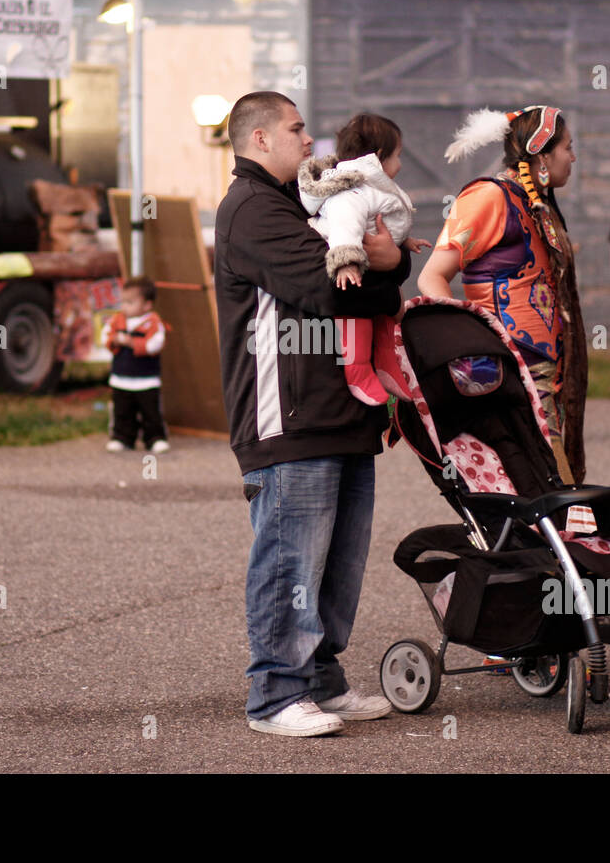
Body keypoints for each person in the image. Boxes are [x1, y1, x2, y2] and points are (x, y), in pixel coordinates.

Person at [216, 90, 412, 737]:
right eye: (296, 130)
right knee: (289, 558)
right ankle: (274, 694)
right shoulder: (249, 209)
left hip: (341, 411)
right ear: (259, 139)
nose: (310, 141)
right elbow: (333, 289)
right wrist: (389, 266)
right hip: (288, 420)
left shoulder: (302, 202)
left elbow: (371, 282)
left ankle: (321, 680)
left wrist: (396, 260)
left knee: (337, 563)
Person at [418, 105, 588, 488]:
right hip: (514, 371)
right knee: (539, 481)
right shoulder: (490, 198)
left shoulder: (536, 205)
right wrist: (474, 349)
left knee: (554, 480)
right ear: (543, 154)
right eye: (567, 147)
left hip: (546, 368)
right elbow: (432, 278)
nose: (573, 156)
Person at [297, 112, 430, 405]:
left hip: (366, 260)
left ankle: (386, 365)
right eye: (397, 156)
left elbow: (378, 222)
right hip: (351, 262)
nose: (401, 163)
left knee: (385, 316)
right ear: (379, 156)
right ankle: (357, 371)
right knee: (356, 317)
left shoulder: (370, 185)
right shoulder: (353, 189)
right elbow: (347, 225)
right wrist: (345, 260)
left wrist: (403, 242)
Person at [103, 275, 170, 454]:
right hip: (121, 378)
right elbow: (105, 336)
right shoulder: (117, 320)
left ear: (147, 305)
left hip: (146, 380)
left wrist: (131, 343)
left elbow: (154, 344)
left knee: (150, 412)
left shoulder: (154, 323)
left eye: (130, 302)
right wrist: (114, 340)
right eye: (123, 302)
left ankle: (155, 438)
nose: (124, 306)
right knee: (122, 411)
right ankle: (122, 437)